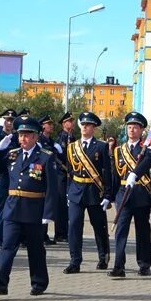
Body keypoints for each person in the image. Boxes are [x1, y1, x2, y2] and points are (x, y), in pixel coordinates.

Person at [0, 115, 57, 295]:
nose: (22, 138)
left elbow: (52, 188)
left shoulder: (45, 158)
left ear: (35, 137)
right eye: (20, 135)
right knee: (7, 246)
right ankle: (1, 282)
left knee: (35, 249)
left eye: (26, 135)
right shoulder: (12, 154)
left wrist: (48, 213)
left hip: (33, 211)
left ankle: (39, 283)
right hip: (12, 209)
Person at [63, 112, 111, 274]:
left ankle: (103, 256)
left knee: (98, 225)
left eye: (88, 125)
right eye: (83, 125)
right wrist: (68, 193)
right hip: (76, 191)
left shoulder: (101, 146)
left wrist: (107, 195)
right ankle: (75, 260)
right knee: (74, 225)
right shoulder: (72, 147)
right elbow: (70, 171)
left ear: (94, 128)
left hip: (94, 191)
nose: (85, 127)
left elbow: (107, 172)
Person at [108, 111, 151, 278]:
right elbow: (114, 175)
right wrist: (110, 196)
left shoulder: (147, 150)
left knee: (142, 231)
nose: (132, 129)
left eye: (135, 127)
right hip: (123, 195)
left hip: (141, 195)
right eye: (129, 126)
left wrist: (135, 174)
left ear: (141, 130)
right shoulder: (118, 150)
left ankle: (144, 264)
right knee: (121, 231)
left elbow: (147, 164)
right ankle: (118, 266)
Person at [0, 109, 17, 249]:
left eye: (11, 120)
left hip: (13, 175)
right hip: (1, 176)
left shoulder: (15, 136)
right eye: (6, 120)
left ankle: (8, 237)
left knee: (11, 207)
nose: (9, 123)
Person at [38, 114, 63, 245]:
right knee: (43, 205)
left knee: (48, 204)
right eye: (49, 124)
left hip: (51, 174)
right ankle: (41, 235)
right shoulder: (40, 140)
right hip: (42, 174)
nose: (51, 126)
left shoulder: (50, 140)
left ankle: (44, 234)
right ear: (43, 126)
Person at [54, 112, 75, 243]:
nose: (72, 123)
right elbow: (56, 157)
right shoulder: (60, 138)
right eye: (69, 121)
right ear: (64, 124)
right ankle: (59, 232)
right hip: (61, 175)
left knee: (69, 205)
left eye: (72, 121)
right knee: (61, 203)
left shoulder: (72, 138)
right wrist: (64, 167)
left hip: (71, 175)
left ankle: (66, 231)